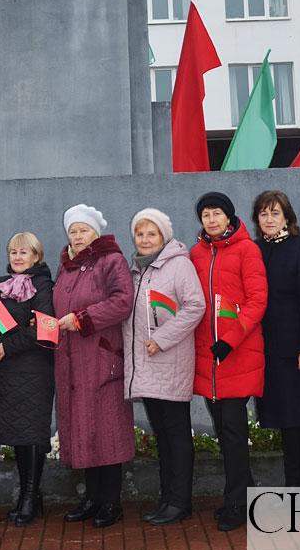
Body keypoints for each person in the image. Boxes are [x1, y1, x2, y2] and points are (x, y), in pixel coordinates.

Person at [190, 192, 267, 532]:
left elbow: (257, 300)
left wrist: (230, 341)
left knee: (234, 434)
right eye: (206, 214)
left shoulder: (247, 249)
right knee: (224, 433)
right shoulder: (196, 253)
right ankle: (247, 493)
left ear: (229, 217)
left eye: (217, 213)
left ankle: (236, 503)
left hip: (236, 355)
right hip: (208, 357)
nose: (211, 219)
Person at [122, 208, 205, 524]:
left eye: (151, 233)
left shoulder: (179, 265)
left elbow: (195, 305)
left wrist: (163, 338)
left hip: (169, 361)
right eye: (140, 233)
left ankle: (180, 502)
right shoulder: (135, 270)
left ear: (164, 237)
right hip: (145, 364)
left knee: (176, 433)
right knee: (163, 434)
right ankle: (167, 498)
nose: (144, 239)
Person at [54, 204, 134, 528]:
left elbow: (123, 301)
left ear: (95, 233)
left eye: (83, 230)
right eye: (73, 231)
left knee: (107, 431)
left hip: (101, 357)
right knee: (82, 428)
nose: (77, 236)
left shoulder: (111, 260)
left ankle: (111, 502)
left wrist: (82, 319)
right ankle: (91, 498)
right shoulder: (66, 267)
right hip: (71, 359)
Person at [252, 190, 300, 486]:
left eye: (275, 213)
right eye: (263, 213)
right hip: (270, 353)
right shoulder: (255, 249)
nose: (269, 219)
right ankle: (293, 487)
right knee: (286, 423)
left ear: (287, 216)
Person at [0, 231, 55, 526]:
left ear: (37, 256)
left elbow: (45, 328)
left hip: (34, 369)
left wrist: (6, 347)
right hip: (4, 372)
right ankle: (31, 498)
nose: (18, 257)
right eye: (13, 252)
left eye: (24, 252)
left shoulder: (44, 285)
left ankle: (28, 497)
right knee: (17, 434)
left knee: (32, 433)